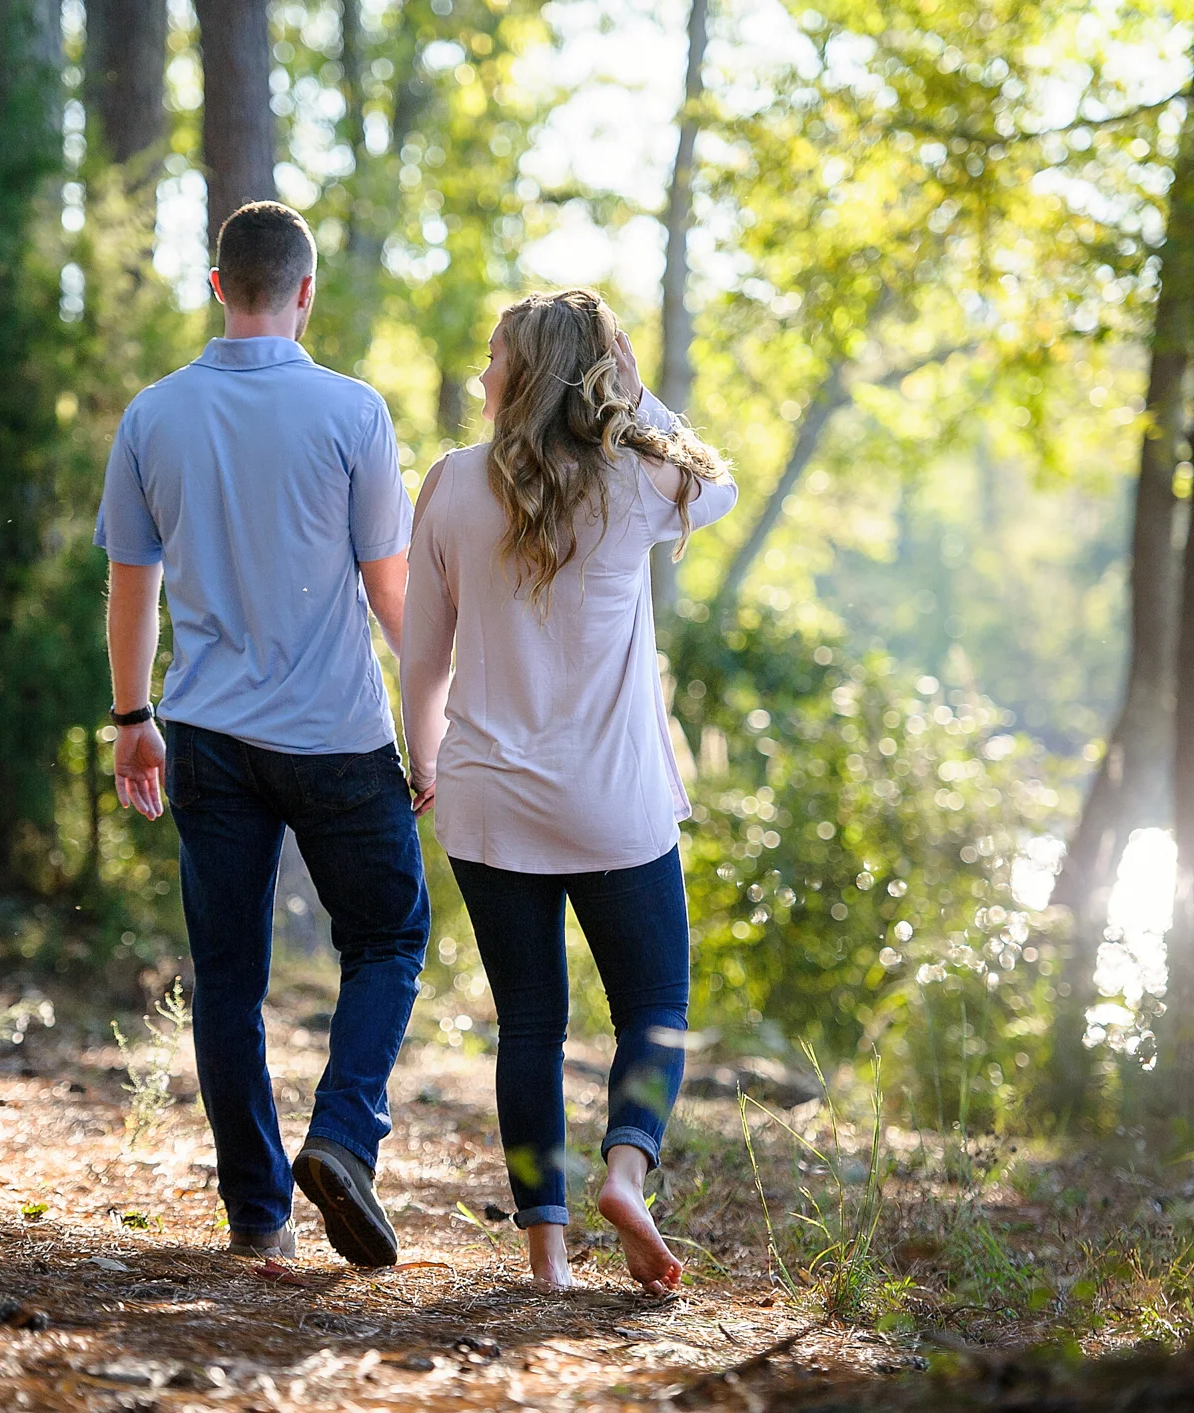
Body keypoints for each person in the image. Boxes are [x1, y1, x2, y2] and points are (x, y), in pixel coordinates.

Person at [97, 200, 427, 1268]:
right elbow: (390, 593)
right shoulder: (352, 410)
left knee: (227, 976)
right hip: (335, 733)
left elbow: (128, 585)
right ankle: (340, 1139)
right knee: (385, 936)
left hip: (207, 735)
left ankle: (260, 1222)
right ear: (304, 291)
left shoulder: (153, 415)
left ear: (214, 284)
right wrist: (436, 721)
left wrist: (131, 717)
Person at [400, 288, 739, 1294]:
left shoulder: (451, 484)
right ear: (594, 374)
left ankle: (545, 1259)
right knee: (654, 1009)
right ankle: (625, 1169)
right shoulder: (636, 479)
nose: (479, 374)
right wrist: (641, 401)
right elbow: (717, 489)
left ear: (518, 375)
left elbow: (424, 660)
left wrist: (422, 762)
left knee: (529, 1027)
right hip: (613, 803)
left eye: (492, 357)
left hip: (485, 797)